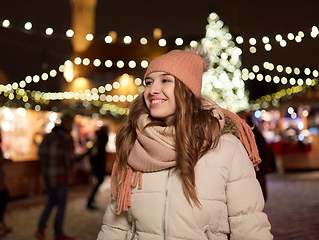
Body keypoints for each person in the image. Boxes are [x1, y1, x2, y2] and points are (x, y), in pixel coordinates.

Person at [98, 48, 273, 239]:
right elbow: (115, 228)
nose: (152, 90)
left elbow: (249, 224)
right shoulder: (134, 146)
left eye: (165, 80)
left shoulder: (225, 147)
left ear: (187, 89)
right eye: (149, 82)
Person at [36, 111, 76, 240]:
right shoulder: (66, 138)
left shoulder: (48, 136)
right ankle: (58, 233)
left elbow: (41, 153)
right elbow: (69, 159)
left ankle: (41, 228)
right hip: (60, 176)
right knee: (61, 205)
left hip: (48, 175)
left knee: (51, 201)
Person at [86, 126, 109, 209]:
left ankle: (91, 199)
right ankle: (90, 199)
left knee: (96, 182)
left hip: (96, 165)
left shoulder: (97, 143)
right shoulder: (100, 144)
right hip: (98, 165)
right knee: (98, 181)